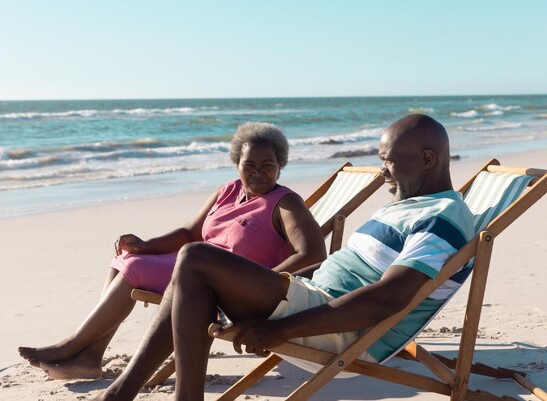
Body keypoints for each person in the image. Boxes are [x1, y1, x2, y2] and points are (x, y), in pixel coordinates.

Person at [92, 113, 476, 401]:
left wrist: (280, 331)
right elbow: (332, 266)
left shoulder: (440, 219)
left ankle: (127, 394)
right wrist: (273, 281)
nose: (382, 171)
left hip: (337, 330)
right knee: (193, 271)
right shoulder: (407, 206)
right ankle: (126, 394)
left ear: (427, 160)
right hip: (311, 298)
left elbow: (387, 299)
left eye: (388, 160)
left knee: (195, 258)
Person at [18, 122, 326, 380]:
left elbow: (312, 253)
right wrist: (145, 244)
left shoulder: (285, 202)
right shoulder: (228, 190)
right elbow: (190, 233)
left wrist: (263, 281)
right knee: (125, 256)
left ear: (280, 167)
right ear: (237, 164)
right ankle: (90, 356)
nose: (258, 173)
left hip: (227, 285)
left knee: (134, 268)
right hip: (198, 267)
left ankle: (73, 346)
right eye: (250, 165)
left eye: (268, 166)